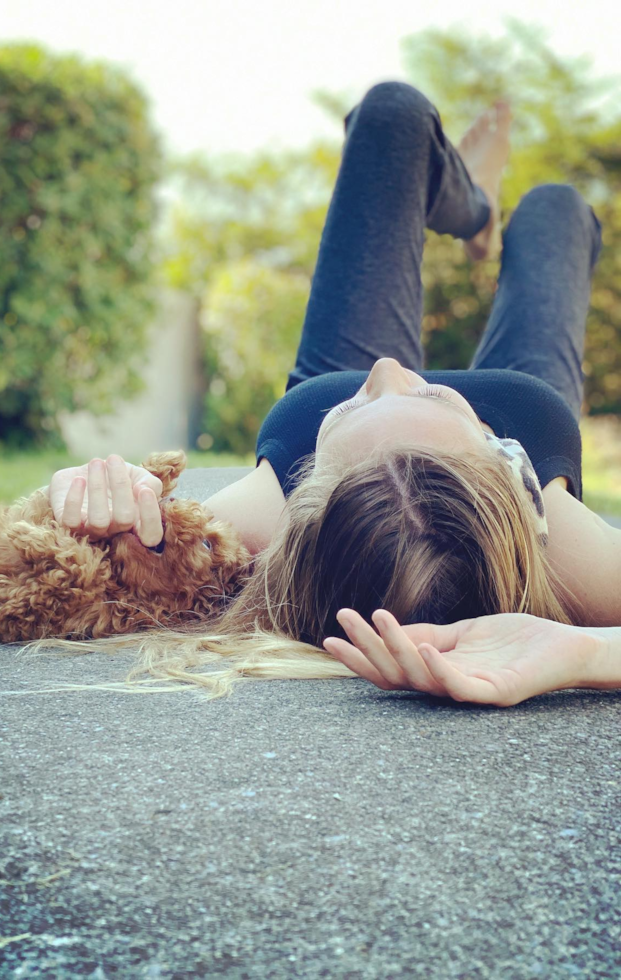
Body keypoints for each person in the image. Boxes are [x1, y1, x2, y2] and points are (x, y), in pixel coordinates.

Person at [45, 81, 621, 706]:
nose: (387, 365)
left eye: (356, 402)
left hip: (331, 399)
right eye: (431, 397)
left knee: (391, 115)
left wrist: (93, 504)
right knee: (557, 211)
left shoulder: (261, 523)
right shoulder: (574, 555)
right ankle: (489, 211)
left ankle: (474, 203)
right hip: (531, 402)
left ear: (303, 497)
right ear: (500, 455)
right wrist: (588, 653)